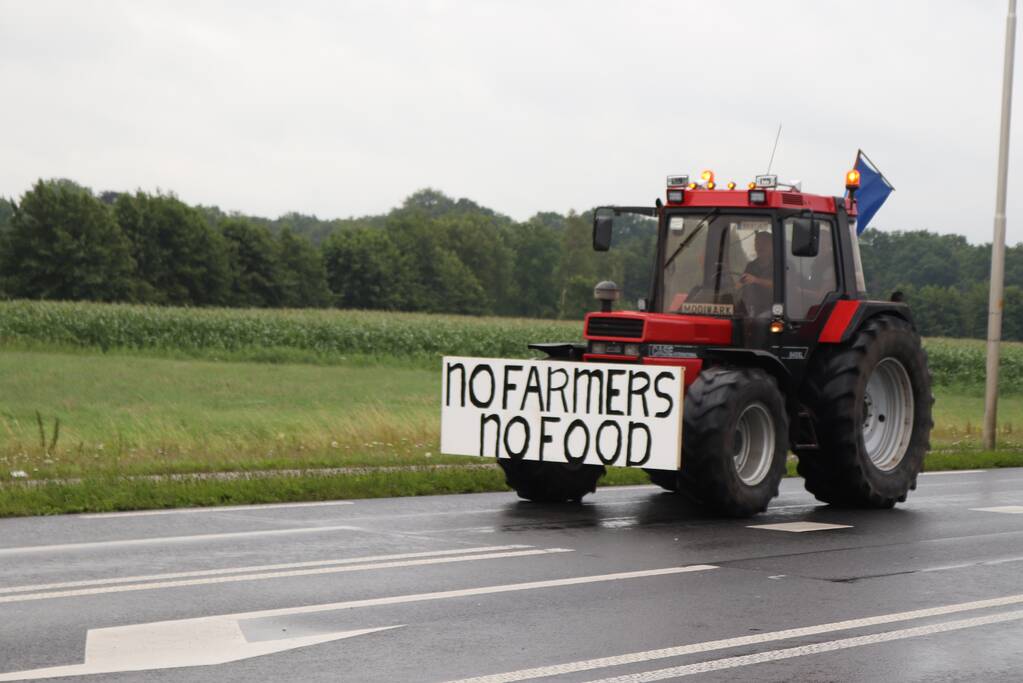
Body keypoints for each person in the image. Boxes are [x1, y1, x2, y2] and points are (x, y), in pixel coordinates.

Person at [739, 231, 773, 315]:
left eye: (764, 243)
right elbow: (742, 284)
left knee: (761, 320)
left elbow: (784, 286)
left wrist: (756, 280)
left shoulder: (783, 265)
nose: (760, 247)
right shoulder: (751, 266)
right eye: (757, 243)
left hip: (773, 309)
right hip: (750, 309)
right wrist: (737, 286)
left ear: (773, 245)